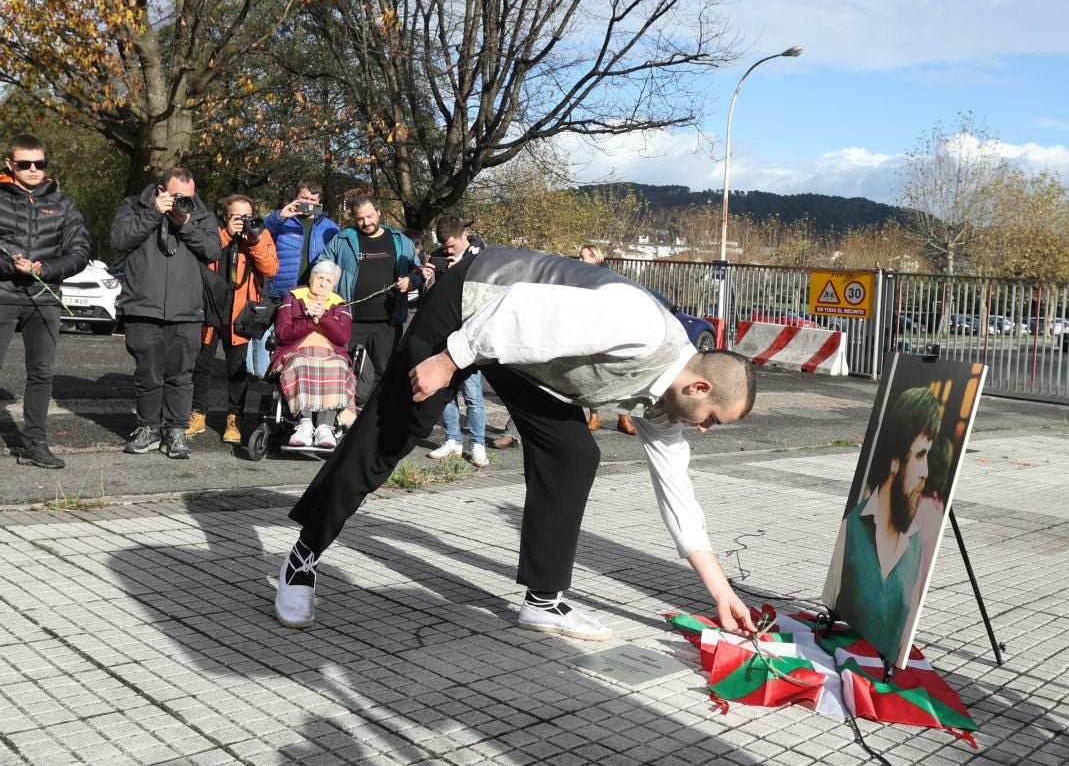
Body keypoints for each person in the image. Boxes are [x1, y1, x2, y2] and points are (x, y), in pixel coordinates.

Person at [273, 245, 760, 642]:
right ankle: (301, 558)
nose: (704, 429)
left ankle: (543, 602)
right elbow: (521, 308)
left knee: (573, 452)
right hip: (473, 301)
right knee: (394, 429)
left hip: (521, 351)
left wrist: (721, 593)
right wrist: (449, 360)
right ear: (699, 388)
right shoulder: (640, 327)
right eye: (712, 419)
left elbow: (678, 494)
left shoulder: (668, 401)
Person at [111, 167, 221, 459]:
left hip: (186, 310)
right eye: (177, 196)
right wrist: (153, 214)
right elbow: (119, 240)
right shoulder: (133, 206)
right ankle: (148, 428)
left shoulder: (201, 213)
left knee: (181, 375)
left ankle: (175, 431)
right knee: (147, 374)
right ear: (161, 190)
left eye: (189, 195)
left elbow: (212, 250)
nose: (184, 200)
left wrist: (185, 223)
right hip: (143, 307)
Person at [830, 386, 942, 663]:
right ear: (895, 460)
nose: (926, 471)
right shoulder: (852, 528)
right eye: (920, 455)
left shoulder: (915, 541)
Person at [0, 135, 91, 469]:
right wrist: (11, 265)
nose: (34, 169)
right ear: (10, 164)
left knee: (41, 374)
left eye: (40, 163)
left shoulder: (63, 204)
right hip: (3, 294)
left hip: (45, 295)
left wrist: (48, 268)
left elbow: (80, 251)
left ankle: (34, 444)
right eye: (25, 164)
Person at [188, 194, 278, 443]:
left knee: (236, 369)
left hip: (240, 312)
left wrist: (255, 241)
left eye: (247, 216)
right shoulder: (213, 232)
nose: (243, 221)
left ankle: (234, 419)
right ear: (225, 216)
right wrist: (227, 233)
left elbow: (271, 268)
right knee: (201, 365)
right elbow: (204, 253)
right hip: (210, 307)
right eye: (237, 217)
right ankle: (198, 415)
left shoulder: (259, 234)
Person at [317, 195, 421, 405]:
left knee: (385, 373)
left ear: (379, 212)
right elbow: (321, 266)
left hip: (388, 321)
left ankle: (374, 422)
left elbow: (417, 269)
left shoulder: (400, 240)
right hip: (349, 320)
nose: (366, 223)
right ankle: (343, 419)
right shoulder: (343, 239)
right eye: (359, 219)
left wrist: (412, 281)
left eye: (369, 216)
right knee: (345, 371)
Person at [423, 215, 488, 467]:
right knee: (445, 391)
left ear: (465, 234)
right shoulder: (438, 256)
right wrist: (428, 277)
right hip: (443, 331)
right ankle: (452, 439)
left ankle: (478, 443)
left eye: (452, 246)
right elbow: (429, 298)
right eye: (445, 247)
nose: (448, 251)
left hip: (469, 335)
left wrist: (457, 273)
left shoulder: (480, 257)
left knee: (472, 393)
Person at [268, 260, 355, 448]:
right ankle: (305, 424)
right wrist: (310, 322)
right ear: (311, 278)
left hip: (330, 352)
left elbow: (342, 337)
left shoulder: (340, 304)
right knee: (300, 362)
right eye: (320, 277)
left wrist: (324, 316)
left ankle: (325, 427)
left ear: (333, 285)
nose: (323, 283)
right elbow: (282, 333)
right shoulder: (292, 298)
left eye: (328, 280)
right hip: (297, 350)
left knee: (339, 365)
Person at [577, 244, 637, 436]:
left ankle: (622, 417)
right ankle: (594, 416)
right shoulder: (581, 277)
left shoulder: (607, 279)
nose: (579, 260)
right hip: (590, 331)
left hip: (609, 332)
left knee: (617, 376)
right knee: (591, 375)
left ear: (595, 258)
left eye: (582, 257)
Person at [262, 180, 339, 300]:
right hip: (283, 293)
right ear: (296, 197)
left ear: (319, 201)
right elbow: (260, 233)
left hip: (315, 294)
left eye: (313, 200)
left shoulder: (330, 227)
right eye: (304, 198)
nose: (308, 203)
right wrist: (280, 216)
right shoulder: (282, 220)